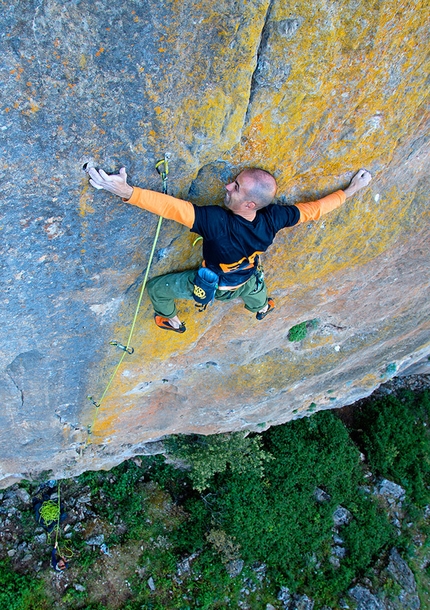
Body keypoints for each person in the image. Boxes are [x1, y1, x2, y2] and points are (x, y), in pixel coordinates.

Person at [88, 165, 371, 333]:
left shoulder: (216, 222)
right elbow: (314, 210)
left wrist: (127, 192)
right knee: (257, 295)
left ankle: (169, 319)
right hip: (247, 280)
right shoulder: (273, 217)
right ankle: (262, 308)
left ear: (250, 204)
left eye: (235, 186)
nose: (227, 185)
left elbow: (171, 208)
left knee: (156, 289)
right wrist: (351, 191)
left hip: (211, 285)